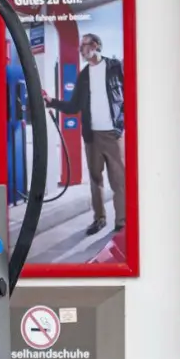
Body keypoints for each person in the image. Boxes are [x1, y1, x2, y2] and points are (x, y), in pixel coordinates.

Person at [46, 33, 127, 236]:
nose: (82, 50)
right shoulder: (83, 75)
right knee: (95, 180)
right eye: (80, 46)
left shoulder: (115, 67)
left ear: (96, 45)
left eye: (85, 46)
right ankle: (99, 219)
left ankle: (122, 222)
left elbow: (130, 97)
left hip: (113, 134)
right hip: (92, 136)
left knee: (119, 180)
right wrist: (52, 101)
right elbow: (73, 106)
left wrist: (122, 125)